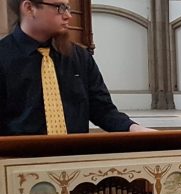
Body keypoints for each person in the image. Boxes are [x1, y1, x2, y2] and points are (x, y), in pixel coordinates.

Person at [1, 0, 154, 135]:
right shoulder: (3, 57)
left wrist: (134, 128)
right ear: (29, 8)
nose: (68, 16)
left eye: (68, 7)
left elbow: (103, 110)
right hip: (18, 156)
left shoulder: (79, 57)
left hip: (75, 155)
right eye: (60, 8)